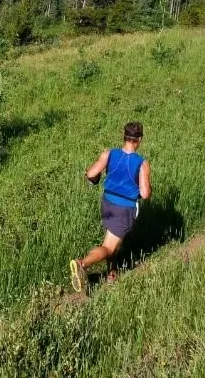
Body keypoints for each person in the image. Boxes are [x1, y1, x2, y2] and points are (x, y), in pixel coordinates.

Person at [70, 121, 150, 293]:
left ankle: (111, 274)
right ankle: (82, 263)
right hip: (124, 209)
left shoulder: (109, 153)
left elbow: (91, 174)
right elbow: (145, 194)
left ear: (124, 136)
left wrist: (96, 177)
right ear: (140, 139)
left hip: (107, 203)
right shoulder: (142, 163)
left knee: (110, 242)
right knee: (108, 248)